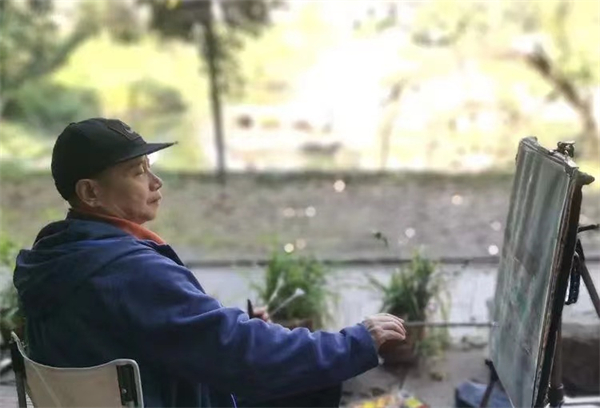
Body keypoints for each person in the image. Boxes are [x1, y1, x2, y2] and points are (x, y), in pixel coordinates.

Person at [13, 118, 406, 408]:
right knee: (316, 380)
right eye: (137, 172)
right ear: (90, 193)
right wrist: (355, 341)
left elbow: (160, 329)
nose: (156, 182)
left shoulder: (57, 256)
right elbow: (237, 352)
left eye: (150, 168)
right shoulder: (125, 270)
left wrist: (225, 327)